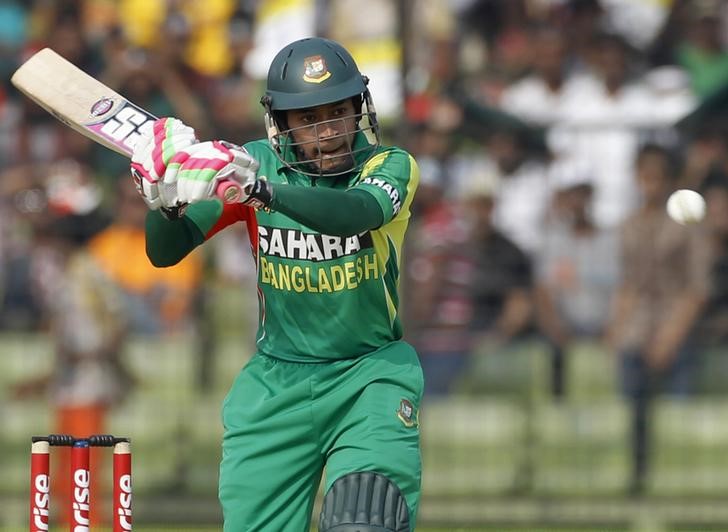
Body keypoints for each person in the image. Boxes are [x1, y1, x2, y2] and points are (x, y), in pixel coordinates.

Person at [130, 37, 421, 531]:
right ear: (281, 123)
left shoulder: (389, 166)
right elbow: (165, 252)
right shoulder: (252, 164)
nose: (327, 132)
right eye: (308, 119)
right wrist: (164, 200)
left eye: (339, 112)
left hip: (368, 375)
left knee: (366, 518)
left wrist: (260, 191)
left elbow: (355, 214)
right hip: (276, 384)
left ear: (359, 109)